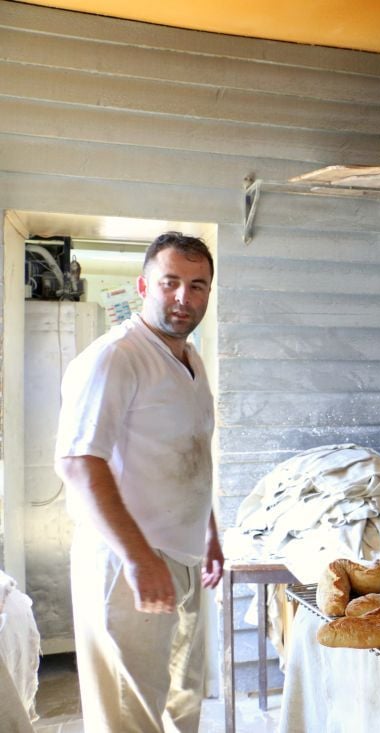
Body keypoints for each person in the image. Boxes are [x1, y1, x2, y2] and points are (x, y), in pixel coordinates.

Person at [55, 232, 223, 733]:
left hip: (181, 558)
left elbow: (191, 454)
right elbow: (80, 464)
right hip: (127, 564)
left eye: (197, 286)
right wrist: (137, 558)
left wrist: (209, 532)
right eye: (170, 282)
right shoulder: (117, 356)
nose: (183, 298)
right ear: (144, 284)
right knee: (129, 714)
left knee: (179, 702)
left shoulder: (189, 359)